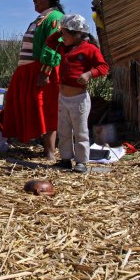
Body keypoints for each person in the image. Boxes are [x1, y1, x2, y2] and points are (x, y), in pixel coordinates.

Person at [2, 0, 66, 160]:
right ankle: (40, 146)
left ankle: (50, 151)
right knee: (31, 106)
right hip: (28, 69)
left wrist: (45, 71)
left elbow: (54, 46)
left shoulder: (55, 18)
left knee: (45, 107)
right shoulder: (39, 19)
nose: (34, 1)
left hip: (41, 70)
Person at [45, 14, 109, 173]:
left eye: (66, 34)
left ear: (77, 34)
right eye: (63, 34)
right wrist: (60, 32)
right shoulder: (65, 47)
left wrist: (88, 74)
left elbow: (103, 67)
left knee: (80, 131)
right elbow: (50, 42)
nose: (63, 38)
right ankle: (66, 159)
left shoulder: (90, 49)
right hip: (63, 98)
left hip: (79, 99)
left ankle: (81, 162)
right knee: (64, 130)